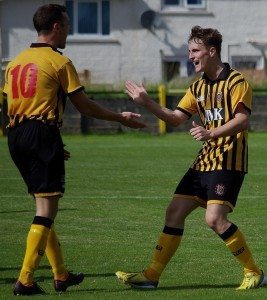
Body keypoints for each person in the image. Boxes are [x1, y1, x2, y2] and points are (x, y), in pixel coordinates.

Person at [3, 4, 145, 296]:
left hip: (16, 134)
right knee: (46, 210)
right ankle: (25, 280)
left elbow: (9, 105)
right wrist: (120, 117)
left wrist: (50, 143)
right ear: (56, 27)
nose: (69, 30)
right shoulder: (59, 62)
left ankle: (60, 275)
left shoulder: (15, 62)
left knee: (43, 206)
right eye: (67, 25)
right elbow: (84, 106)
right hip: (41, 134)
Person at [116, 26, 266, 290]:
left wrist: (211, 132)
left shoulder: (237, 82)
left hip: (229, 161)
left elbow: (242, 120)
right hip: (204, 162)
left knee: (214, 219)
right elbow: (175, 118)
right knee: (174, 212)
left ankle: (254, 272)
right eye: (189, 51)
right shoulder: (197, 87)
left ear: (212, 51)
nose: (190, 56)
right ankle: (151, 275)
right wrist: (147, 102)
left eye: (195, 51)